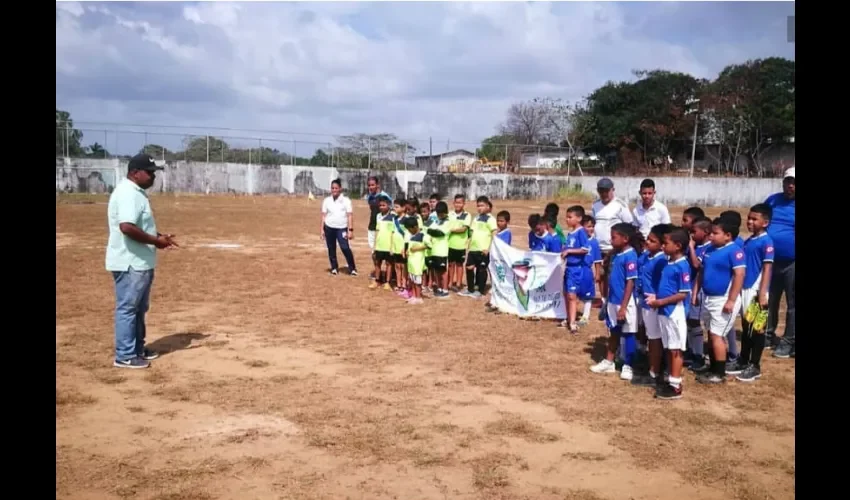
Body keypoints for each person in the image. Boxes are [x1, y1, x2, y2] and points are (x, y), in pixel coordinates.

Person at [106, 154, 179, 369]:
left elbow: (139, 226)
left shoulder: (136, 192)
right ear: (134, 172)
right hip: (131, 262)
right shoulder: (129, 193)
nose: (152, 177)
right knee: (128, 309)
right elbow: (127, 227)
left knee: (138, 309)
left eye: (154, 173)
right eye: (149, 172)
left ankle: (137, 348)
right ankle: (125, 355)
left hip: (140, 262)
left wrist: (158, 236)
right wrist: (156, 241)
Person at [694, 218, 746, 384]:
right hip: (708, 298)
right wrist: (696, 292)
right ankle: (713, 366)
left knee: (717, 335)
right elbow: (701, 272)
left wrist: (731, 300)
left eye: (715, 233)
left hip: (722, 300)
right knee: (710, 333)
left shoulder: (734, 251)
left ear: (728, 236)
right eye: (710, 233)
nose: (711, 237)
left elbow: (739, 275)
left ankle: (719, 372)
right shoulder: (709, 249)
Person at [646, 226, 692, 400]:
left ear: (678, 245)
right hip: (663, 312)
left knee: (675, 349)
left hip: (673, 312)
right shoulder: (668, 263)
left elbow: (682, 293)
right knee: (668, 346)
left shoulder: (682, 266)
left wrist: (660, 302)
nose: (663, 246)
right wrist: (655, 297)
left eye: (666, 243)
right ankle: (670, 378)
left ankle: (675, 384)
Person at [590, 223, 640, 381]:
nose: (611, 240)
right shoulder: (616, 255)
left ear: (625, 239)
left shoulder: (631, 256)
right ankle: (609, 361)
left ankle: (628, 365)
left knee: (629, 333)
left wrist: (623, 307)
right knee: (614, 332)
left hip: (625, 303)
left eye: (614, 237)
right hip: (613, 300)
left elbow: (630, 283)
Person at [732, 204, 775, 382]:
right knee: (746, 327)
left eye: (754, 219)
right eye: (749, 218)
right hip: (745, 288)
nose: (749, 221)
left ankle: (755, 365)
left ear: (765, 222)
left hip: (757, 291)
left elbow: (767, 268)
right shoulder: (749, 240)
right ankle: (743, 360)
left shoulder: (767, 242)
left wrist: (763, 292)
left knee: (757, 329)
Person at [631, 223, 671, 388]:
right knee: (650, 336)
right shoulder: (647, 256)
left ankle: (654, 373)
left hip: (653, 304)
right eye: (648, 238)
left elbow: (664, 283)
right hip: (645, 302)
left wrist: (657, 298)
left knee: (655, 338)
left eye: (652, 240)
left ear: (662, 244)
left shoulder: (661, 261)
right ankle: (653, 367)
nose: (647, 242)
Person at [591, 178, 635, 318]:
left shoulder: (620, 205)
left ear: (612, 190)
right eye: (601, 191)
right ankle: (604, 301)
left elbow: (628, 226)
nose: (604, 193)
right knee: (601, 276)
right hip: (599, 248)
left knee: (612, 276)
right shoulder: (596, 205)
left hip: (614, 248)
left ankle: (615, 300)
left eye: (606, 191)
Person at [764, 167, 795, 358]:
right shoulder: (773, 200)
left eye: (794, 182)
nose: (790, 185)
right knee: (770, 299)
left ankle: (789, 340)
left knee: (792, 304)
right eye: (787, 181)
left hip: (793, 262)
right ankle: (767, 334)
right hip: (771, 261)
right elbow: (761, 220)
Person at [685, 217, 712, 372]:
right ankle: (692, 352)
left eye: (694, 232)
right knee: (690, 322)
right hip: (690, 288)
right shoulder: (697, 246)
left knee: (695, 322)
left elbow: (696, 264)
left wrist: (691, 247)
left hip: (699, 290)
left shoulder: (706, 248)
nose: (692, 235)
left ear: (706, 232)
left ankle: (699, 356)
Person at [459, 196, 498, 298]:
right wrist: (468, 242)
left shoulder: (491, 219)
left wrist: (488, 248)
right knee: (469, 267)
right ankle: (470, 288)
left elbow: (494, 233)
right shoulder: (476, 218)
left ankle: (480, 290)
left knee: (481, 269)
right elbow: (471, 232)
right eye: (478, 206)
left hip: (483, 249)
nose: (479, 208)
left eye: (482, 205)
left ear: (487, 206)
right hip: (473, 248)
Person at [560, 206, 590, 333]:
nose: (567, 220)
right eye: (566, 217)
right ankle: (568, 318)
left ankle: (572, 323)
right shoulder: (570, 233)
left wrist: (569, 251)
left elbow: (585, 249)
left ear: (579, 218)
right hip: (568, 268)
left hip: (576, 269)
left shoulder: (581, 232)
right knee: (566, 294)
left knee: (572, 295)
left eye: (570, 217)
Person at [320, 178, 357, 276]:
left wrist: (350, 230)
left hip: (341, 228)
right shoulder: (327, 201)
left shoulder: (346, 201)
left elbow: (349, 215)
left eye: (336, 188)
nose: (334, 190)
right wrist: (322, 230)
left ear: (340, 189)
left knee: (345, 247)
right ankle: (334, 267)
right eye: (332, 188)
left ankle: (352, 268)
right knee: (331, 248)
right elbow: (323, 216)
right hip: (329, 228)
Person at [578, 215, 603, 325]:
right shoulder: (577, 238)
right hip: (575, 269)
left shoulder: (594, 242)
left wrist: (597, 273)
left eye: (592, 226)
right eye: (588, 226)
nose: (591, 229)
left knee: (588, 294)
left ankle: (585, 315)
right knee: (573, 293)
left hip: (586, 270)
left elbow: (597, 260)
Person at [366, 177, 391, 280]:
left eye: (372, 185)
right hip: (372, 227)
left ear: (377, 185)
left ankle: (390, 275)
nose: (371, 187)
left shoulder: (384, 196)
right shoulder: (370, 197)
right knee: (374, 252)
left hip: (383, 229)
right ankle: (378, 273)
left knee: (386, 253)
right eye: (369, 185)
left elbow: (391, 209)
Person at [426, 201, 451, 298]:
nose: (439, 215)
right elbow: (429, 230)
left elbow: (440, 233)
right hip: (434, 250)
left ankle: (445, 289)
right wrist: (432, 231)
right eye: (438, 213)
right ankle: (439, 287)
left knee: (443, 270)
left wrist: (432, 231)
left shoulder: (448, 222)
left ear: (446, 212)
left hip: (442, 251)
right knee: (437, 270)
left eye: (441, 213)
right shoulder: (436, 221)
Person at [370, 195, 395, 290]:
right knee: (377, 263)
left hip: (388, 245)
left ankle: (387, 282)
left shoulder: (393, 216)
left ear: (388, 205)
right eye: (380, 205)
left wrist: (392, 246)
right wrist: (375, 245)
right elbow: (377, 230)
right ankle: (377, 280)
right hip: (379, 245)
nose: (381, 207)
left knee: (389, 264)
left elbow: (393, 232)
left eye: (383, 205)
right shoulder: (378, 216)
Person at [448, 194, 472, 292]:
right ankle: (449, 282)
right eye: (456, 202)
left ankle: (458, 283)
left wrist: (451, 230)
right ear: (453, 203)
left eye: (460, 203)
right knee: (450, 264)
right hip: (450, 244)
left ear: (463, 204)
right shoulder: (450, 214)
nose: (458, 205)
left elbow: (464, 229)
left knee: (459, 264)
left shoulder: (467, 215)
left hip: (461, 245)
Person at [404, 217, 428, 305]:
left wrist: (417, 248)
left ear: (414, 227)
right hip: (411, 262)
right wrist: (408, 251)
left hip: (418, 262)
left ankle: (418, 297)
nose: (409, 231)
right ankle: (414, 296)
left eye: (409, 229)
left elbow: (429, 245)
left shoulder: (423, 235)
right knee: (412, 280)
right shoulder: (412, 236)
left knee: (417, 281)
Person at [390, 198, 408, 294]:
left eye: (397, 207)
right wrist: (392, 247)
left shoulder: (406, 219)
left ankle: (404, 284)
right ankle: (398, 283)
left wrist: (405, 247)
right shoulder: (395, 219)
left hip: (403, 246)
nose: (395, 209)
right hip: (396, 246)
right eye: (394, 207)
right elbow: (393, 232)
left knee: (403, 266)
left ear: (404, 208)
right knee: (397, 265)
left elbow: (407, 234)